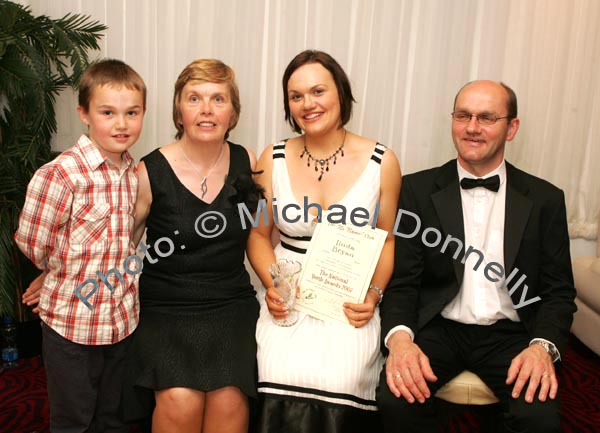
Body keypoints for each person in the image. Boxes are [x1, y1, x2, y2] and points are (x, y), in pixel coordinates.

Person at [378, 80, 577, 433]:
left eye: (486, 117)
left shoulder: (546, 199)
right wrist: (401, 339)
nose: (472, 127)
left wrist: (542, 347)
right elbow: (404, 282)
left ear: (511, 127)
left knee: (539, 419)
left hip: (513, 332)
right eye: (463, 115)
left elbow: (558, 292)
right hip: (439, 327)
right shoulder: (417, 191)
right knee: (395, 401)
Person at [247, 50, 401, 433]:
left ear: (341, 94)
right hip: (290, 288)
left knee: (341, 378)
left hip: (349, 295)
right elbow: (258, 235)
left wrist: (373, 296)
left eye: (318, 91)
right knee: (273, 367)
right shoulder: (272, 158)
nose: (307, 104)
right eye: (296, 96)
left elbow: (386, 241)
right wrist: (274, 285)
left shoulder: (382, 161)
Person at [120, 59, 262, 433]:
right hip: (166, 306)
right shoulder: (148, 171)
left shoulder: (248, 162)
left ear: (233, 113)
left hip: (230, 302)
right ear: (178, 111)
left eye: (219, 99)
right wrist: (64, 276)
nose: (206, 110)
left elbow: (263, 238)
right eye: (194, 98)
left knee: (229, 401)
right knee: (180, 400)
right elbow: (122, 245)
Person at [14, 59, 146, 433]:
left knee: (112, 417)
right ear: (84, 113)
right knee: (73, 419)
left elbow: (128, 239)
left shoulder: (133, 174)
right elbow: (32, 243)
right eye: (108, 112)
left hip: (120, 322)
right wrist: (59, 271)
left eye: (131, 113)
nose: (121, 124)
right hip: (71, 325)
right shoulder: (61, 174)